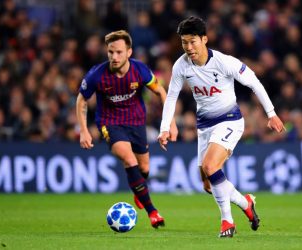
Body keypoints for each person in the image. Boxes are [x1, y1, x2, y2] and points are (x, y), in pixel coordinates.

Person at [158, 17, 285, 237]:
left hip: (229, 120)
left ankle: (227, 222)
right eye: (184, 42)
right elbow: (171, 97)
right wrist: (165, 128)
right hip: (204, 125)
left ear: (204, 39)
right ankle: (246, 204)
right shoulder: (181, 65)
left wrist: (271, 113)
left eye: (193, 41)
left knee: (210, 165)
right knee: (208, 184)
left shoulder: (225, 62)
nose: (189, 47)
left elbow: (253, 81)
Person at [76, 30, 177, 228]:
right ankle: (153, 212)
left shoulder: (140, 70)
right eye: (111, 52)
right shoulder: (97, 75)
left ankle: (139, 192)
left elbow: (161, 91)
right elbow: (81, 99)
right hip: (110, 123)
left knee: (144, 168)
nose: (114, 57)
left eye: (119, 52)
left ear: (129, 52)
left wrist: (170, 123)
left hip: (136, 122)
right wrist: (84, 129)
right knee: (129, 159)